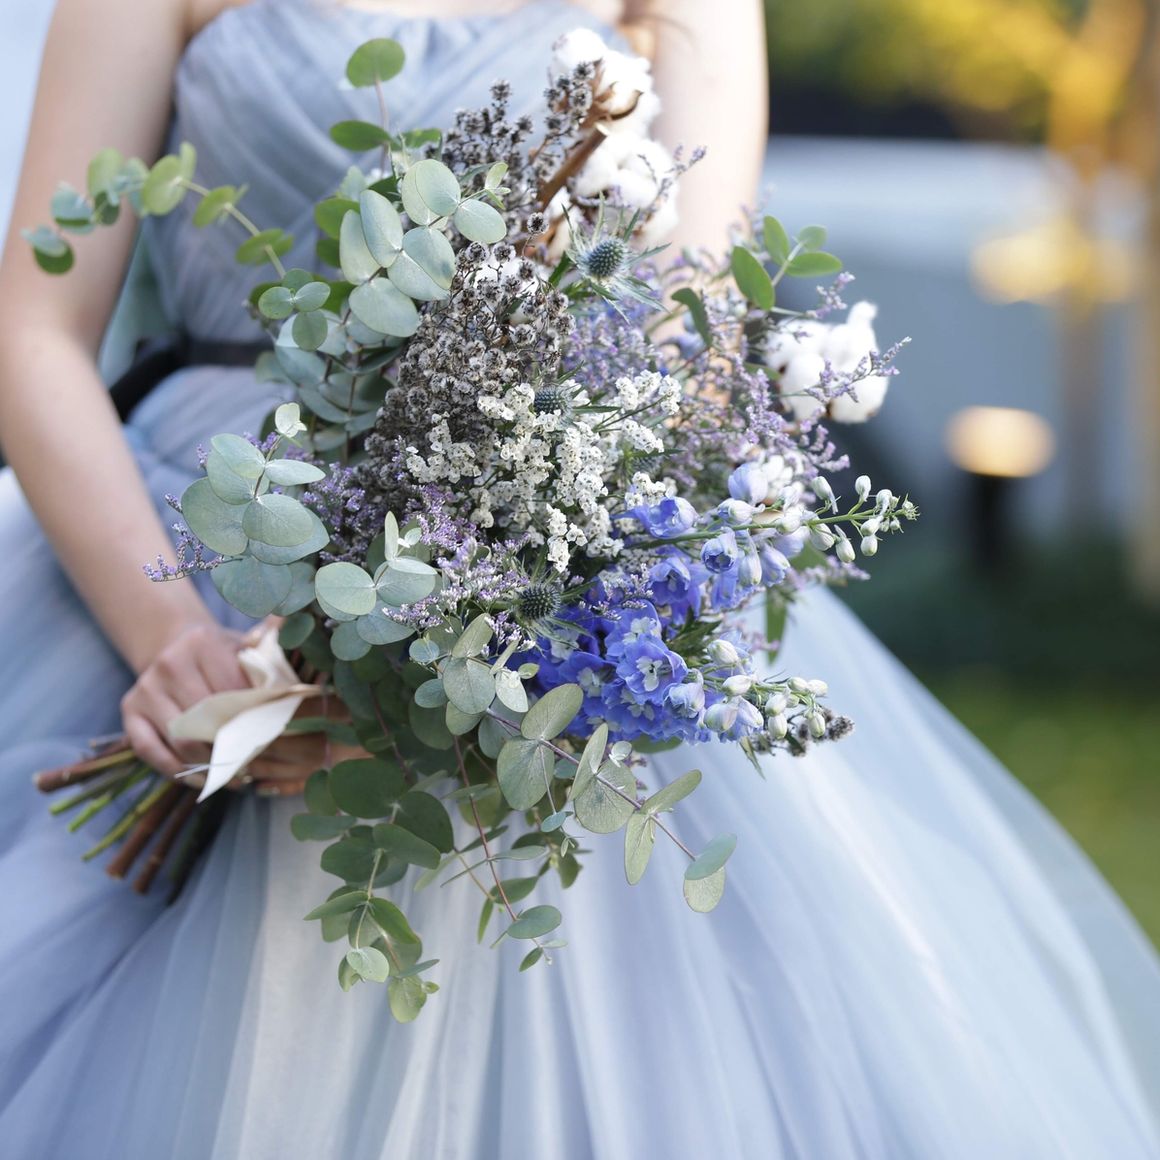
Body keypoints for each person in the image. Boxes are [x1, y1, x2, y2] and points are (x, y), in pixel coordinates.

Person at [0, 1, 1157, 1157]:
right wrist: (174, 639)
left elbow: (685, 361)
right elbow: (35, 328)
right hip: (185, 531)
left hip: (537, 573)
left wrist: (450, 626)